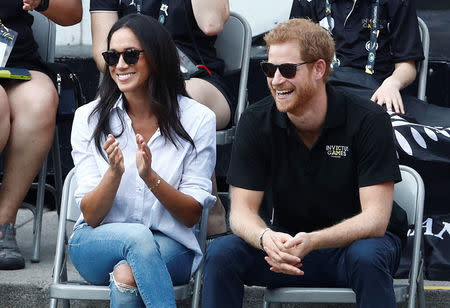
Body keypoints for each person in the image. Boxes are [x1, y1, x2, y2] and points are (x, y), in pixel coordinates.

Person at [202, 18, 407, 308]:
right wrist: (265, 238)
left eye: (287, 70)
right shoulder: (255, 120)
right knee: (222, 253)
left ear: (318, 69)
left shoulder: (368, 120)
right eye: (268, 69)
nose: (275, 81)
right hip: (289, 248)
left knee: (368, 257)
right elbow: (241, 213)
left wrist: (314, 241)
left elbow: (375, 221)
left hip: (353, 247)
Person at [69, 14, 216, 307]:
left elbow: (191, 216)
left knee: (127, 274)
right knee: (136, 237)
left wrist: (151, 178)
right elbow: (92, 215)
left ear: (157, 57)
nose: (120, 65)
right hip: (95, 243)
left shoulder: (198, 119)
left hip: (170, 244)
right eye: (112, 56)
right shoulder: (88, 118)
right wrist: (114, 173)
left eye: (131, 55)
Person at [90, 0, 231, 236]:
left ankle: (204, 205)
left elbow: (211, 23)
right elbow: (102, 52)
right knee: (106, 109)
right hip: (134, 77)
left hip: (198, 78)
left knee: (178, 101)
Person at [290, 0, 450, 163]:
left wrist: (392, 83)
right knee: (373, 124)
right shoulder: (307, 2)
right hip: (326, 90)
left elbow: (407, 66)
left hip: (379, 94)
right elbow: (292, 62)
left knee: (436, 122)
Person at [0, 0, 82, 270]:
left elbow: (73, 13)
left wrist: (42, 2)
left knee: (42, 100)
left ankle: (3, 224)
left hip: (17, 62)